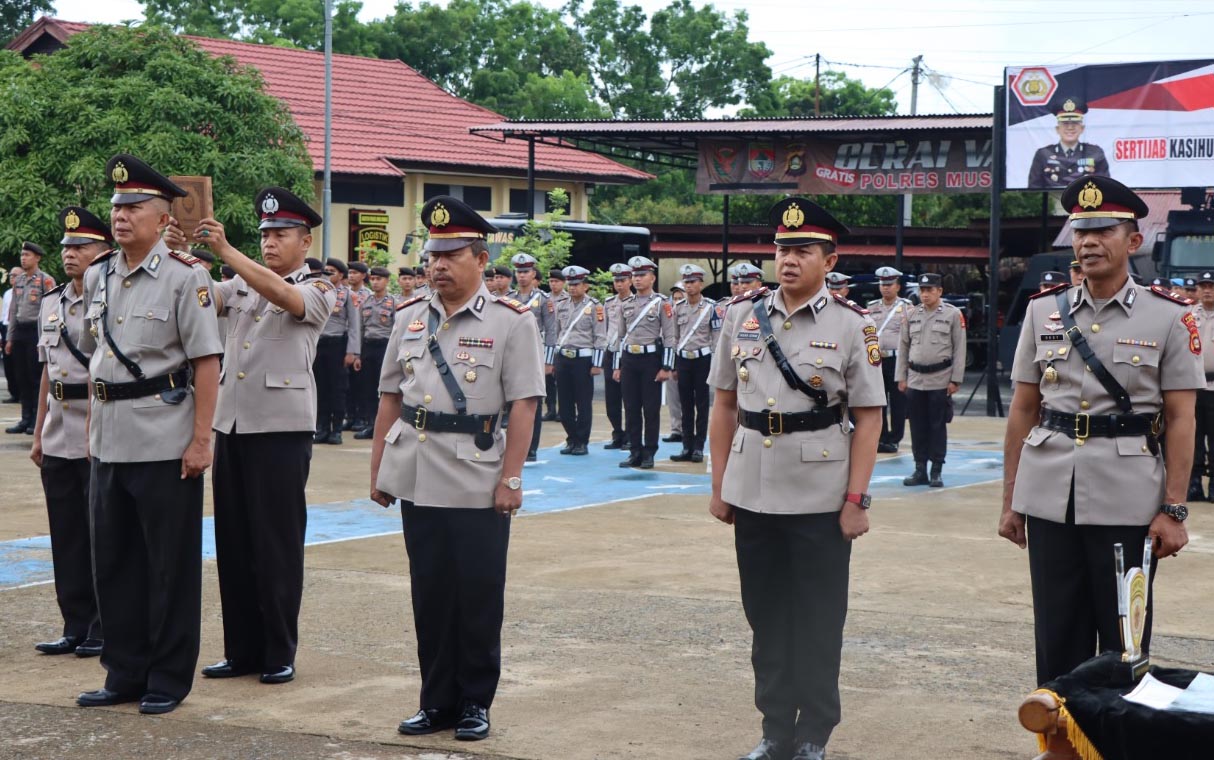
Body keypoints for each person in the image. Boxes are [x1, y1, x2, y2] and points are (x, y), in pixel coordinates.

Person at [998, 175, 1202, 686]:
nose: (1088, 242)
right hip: (1049, 496)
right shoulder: (1043, 311)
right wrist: (1010, 500)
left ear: (1133, 241)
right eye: (1080, 232)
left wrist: (1174, 509)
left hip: (1128, 499)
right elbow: (1024, 410)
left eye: (1103, 231)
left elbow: (1181, 419)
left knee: (1124, 645)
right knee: (1057, 640)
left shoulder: (1170, 316)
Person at [708, 196, 884, 760]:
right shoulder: (741, 315)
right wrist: (719, 485)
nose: (788, 260)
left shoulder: (853, 325)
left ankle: (814, 733)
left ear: (829, 261)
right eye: (782, 249)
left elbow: (870, 417)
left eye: (802, 250)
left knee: (817, 619)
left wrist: (856, 498)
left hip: (820, 494)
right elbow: (723, 403)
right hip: (753, 489)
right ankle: (775, 728)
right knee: (765, 618)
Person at [369, 195, 544, 742]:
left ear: (480, 259)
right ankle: (436, 700)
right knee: (430, 592)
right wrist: (379, 471)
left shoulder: (512, 322)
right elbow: (389, 398)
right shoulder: (409, 319)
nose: (438, 266)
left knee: (477, 592)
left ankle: (475, 702)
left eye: (450, 255)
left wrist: (511, 477)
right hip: (417, 472)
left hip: (476, 475)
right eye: (432, 256)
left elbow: (524, 404)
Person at [75, 154, 223, 715]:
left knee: (169, 567)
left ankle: (167, 677)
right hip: (110, 440)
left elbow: (207, 363)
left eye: (134, 207)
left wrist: (201, 439)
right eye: (116, 207)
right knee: (113, 564)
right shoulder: (99, 275)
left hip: (165, 440)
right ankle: (124, 672)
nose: (121, 216)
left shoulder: (189, 278)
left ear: (162, 218)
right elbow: (97, 363)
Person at [185, 187, 336, 687]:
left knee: (276, 544)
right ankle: (242, 649)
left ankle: (277, 650)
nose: (270, 241)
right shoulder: (242, 281)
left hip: (281, 429)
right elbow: (205, 297)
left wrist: (228, 253)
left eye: (280, 234)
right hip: (232, 423)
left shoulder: (318, 285)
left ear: (305, 240)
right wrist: (176, 258)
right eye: (265, 234)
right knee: (234, 542)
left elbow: (287, 298)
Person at [29, 207, 110, 659]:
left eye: (82, 247)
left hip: (98, 423)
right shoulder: (51, 302)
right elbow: (47, 371)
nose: (71, 254)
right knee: (66, 533)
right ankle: (74, 623)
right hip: (61, 426)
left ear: (103, 255)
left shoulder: (111, 300)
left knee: (101, 534)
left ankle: (102, 625)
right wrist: (40, 432)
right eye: (67, 247)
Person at [897, 273, 966, 487]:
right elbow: (903, 346)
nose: (925, 294)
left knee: (937, 426)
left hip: (940, 378)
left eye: (930, 290)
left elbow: (960, 347)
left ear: (939, 291)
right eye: (922, 290)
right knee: (917, 426)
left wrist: (956, 379)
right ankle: (920, 469)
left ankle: (936, 470)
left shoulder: (953, 314)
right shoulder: (911, 314)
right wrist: (901, 377)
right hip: (916, 378)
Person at [611, 255, 675, 469]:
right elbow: (621, 337)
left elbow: (670, 336)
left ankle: (649, 452)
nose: (637, 279)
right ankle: (634, 451)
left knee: (650, 409)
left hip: (650, 359)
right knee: (630, 407)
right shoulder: (625, 304)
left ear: (652, 277)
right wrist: (617, 365)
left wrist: (666, 367)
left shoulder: (662, 303)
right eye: (635, 275)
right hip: (629, 359)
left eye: (642, 275)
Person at [550, 265, 605, 455]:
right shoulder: (561, 305)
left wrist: (597, 364)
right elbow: (557, 333)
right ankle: (571, 438)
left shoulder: (595, 306)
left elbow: (600, 336)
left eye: (577, 284)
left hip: (583, 360)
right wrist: (554, 359)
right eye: (571, 284)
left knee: (583, 403)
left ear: (586, 286)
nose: (573, 288)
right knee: (564, 404)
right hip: (563, 357)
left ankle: (582, 441)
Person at [507, 253, 556, 461]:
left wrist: (549, 360)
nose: (522, 276)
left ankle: (531, 447)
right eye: (519, 271)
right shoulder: (509, 298)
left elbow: (552, 331)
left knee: (531, 403)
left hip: (535, 355)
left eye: (526, 271)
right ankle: (513, 447)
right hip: (512, 355)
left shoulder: (544, 300)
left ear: (533, 273)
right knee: (511, 403)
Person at [6, 242, 56, 434]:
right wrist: (10, 339)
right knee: (21, 377)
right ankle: (25, 418)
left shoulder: (46, 280)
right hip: (20, 332)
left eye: (27, 255)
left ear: (37, 258)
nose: (23, 258)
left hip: (36, 332)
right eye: (22, 255)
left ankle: (37, 419)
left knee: (36, 378)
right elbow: (13, 311)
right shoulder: (18, 281)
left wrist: (44, 340)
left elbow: (50, 311)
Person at [670, 265, 718, 463]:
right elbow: (674, 337)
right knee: (685, 405)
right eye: (686, 282)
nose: (688, 286)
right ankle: (686, 446)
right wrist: (674, 364)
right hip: (683, 360)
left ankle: (698, 446)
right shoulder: (677, 307)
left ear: (701, 284)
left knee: (702, 404)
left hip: (702, 360)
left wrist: (715, 364)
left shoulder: (711, 307)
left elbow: (715, 337)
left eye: (692, 282)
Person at [313, 257, 360, 444]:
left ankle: (337, 429)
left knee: (337, 388)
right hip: (318, 344)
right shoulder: (317, 291)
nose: (328, 274)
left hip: (337, 345)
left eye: (332, 271)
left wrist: (352, 352)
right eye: (326, 271)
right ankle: (321, 428)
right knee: (320, 387)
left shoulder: (348, 295)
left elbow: (354, 325)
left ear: (341, 275)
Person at [352, 266, 400, 440]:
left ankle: (385, 425)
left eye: (379, 279)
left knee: (385, 388)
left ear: (387, 281)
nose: (375, 282)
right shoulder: (366, 302)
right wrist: (357, 354)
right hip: (368, 347)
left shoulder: (394, 302)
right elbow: (359, 328)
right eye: (373, 279)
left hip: (385, 347)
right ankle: (370, 424)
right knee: (367, 388)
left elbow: (397, 330)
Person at [867, 266, 912, 453]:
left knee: (898, 402)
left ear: (897, 286)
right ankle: (882, 437)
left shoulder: (907, 307)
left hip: (897, 359)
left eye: (890, 284)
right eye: (883, 284)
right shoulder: (871, 307)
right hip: (877, 359)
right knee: (879, 400)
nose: (886, 288)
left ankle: (895, 438)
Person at [1027, 98, 1109, 190]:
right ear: (1057, 129)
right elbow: (1033, 190)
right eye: (1065, 123)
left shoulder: (1095, 153)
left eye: (1075, 123)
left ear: (1082, 128)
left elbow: (1105, 187)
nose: (1070, 128)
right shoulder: (1043, 154)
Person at [602, 262, 632, 450]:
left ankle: (630, 435)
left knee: (629, 398)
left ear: (630, 281)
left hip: (628, 352)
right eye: (616, 280)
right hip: (611, 351)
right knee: (611, 400)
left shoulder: (635, 302)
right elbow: (604, 328)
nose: (619, 284)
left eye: (622, 280)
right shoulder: (608, 303)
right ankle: (617, 433)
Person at [1191, 270, 1214, 502]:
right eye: (1203, 286)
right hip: (1193, 386)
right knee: (1193, 438)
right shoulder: (1189, 314)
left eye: (1212, 286)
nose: (1207, 290)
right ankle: (1194, 483)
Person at [543, 268, 567, 421]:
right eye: (551, 281)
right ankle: (551, 408)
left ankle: (562, 410)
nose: (553, 284)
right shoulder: (545, 298)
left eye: (556, 281)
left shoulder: (568, 298)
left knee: (562, 380)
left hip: (564, 342)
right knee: (548, 380)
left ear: (563, 283)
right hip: (548, 342)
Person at [2, 268, 19, 403]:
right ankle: (13, 393)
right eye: (10, 275)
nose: (12, 277)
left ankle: (23, 394)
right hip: (6, 327)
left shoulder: (24, 292)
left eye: (15, 275)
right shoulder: (7, 293)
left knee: (19, 363)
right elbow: (4, 315)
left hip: (18, 329)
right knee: (8, 365)